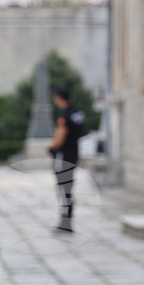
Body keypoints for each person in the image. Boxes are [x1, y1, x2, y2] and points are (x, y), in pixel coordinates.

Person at [47, 86, 85, 233]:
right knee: (68, 187)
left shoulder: (64, 115)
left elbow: (61, 134)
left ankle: (65, 222)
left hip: (63, 155)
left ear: (59, 98)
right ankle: (68, 220)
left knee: (63, 189)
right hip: (74, 153)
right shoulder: (77, 113)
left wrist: (52, 148)